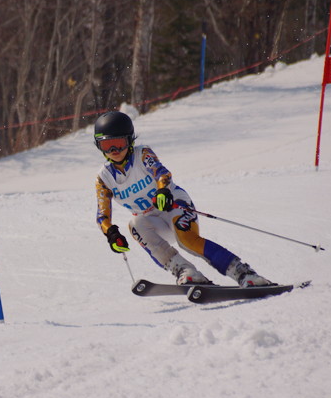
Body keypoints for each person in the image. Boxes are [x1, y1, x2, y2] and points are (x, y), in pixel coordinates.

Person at [93, 111, 271, 287]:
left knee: (187, 241)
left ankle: (244, 274)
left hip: (173, 205)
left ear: (130, 140)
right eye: (107, 145)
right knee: (134, 225)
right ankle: (185, 271)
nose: (114, 151)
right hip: (152, 220)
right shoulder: (104, 178)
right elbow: (102, 216)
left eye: (119, 143)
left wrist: (163, 191)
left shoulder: (142, 154)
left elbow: (162, 174)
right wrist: (111, 234)